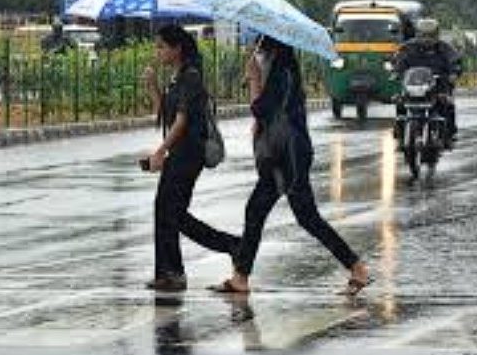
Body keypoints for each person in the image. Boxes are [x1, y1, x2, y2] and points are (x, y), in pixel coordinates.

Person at [211, 35, 370, 296]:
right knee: (256, 211)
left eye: (261, 49)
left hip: (290, 157)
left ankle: (357, 267)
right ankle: (240, 278)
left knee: (306, 217)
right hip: (280, 155)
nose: (257, 54)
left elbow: (261, 108)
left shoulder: (282, 73)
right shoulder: (280, 72)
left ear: (272, 51)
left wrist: (254, 80)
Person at [143, 25, 241, 292]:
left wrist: (160, 151)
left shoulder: (191, 77)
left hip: (189, 153)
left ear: (177, 49)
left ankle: (232, 246)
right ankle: (169, 272)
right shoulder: (175, 78)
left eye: (162, 46)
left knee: (172, 212)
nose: (158, 52)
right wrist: (152, 87)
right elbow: (165, 115)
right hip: (178, 152)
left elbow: (182, 121)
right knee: (164, 209)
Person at [392, 18, 462, 150]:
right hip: (413, 86)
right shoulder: (407, 48)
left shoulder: (445, 49)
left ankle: (449, 135)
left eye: (430, 35)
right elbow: (398, 60)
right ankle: (400, 135)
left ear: (437, 35)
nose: (426, 39)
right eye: (423, 35)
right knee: (400, 102)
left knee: (447, 104)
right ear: (417, 34)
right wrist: (396, 71)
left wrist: (453, 73)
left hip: (438, 86)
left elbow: (455, 61)